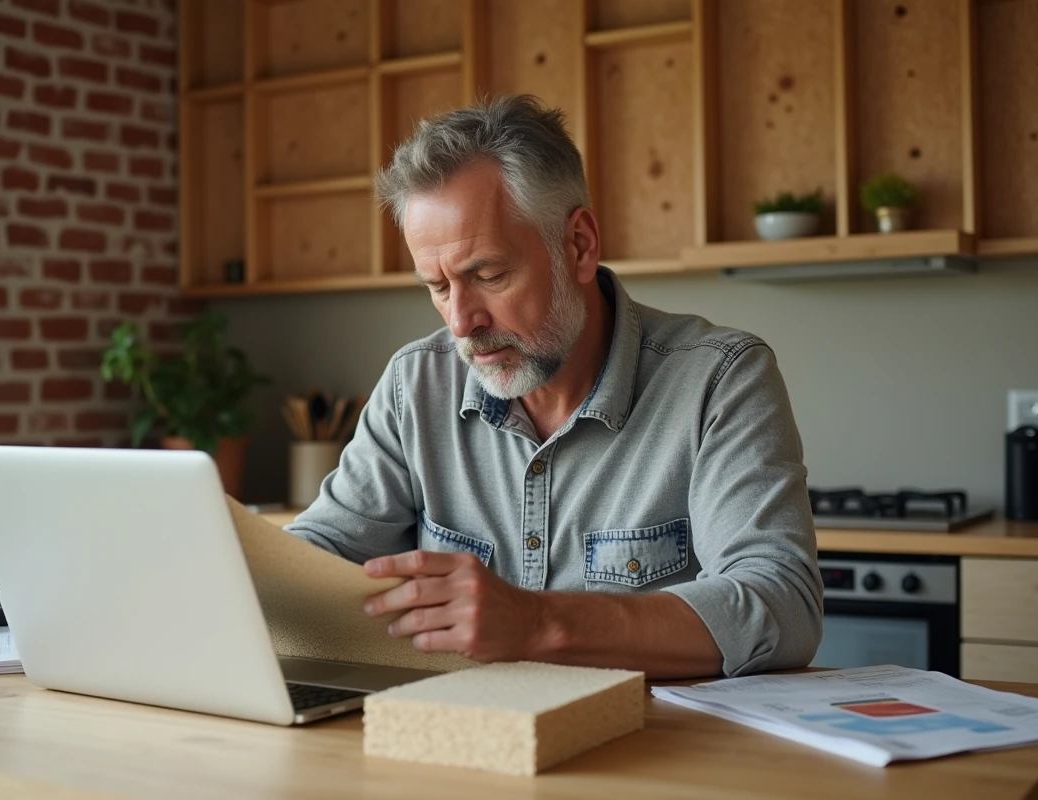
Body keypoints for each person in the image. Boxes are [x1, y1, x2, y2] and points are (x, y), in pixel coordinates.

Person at [286, 94, 822, 679]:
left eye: (488, 275)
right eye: (437, 287)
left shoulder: (720, 379)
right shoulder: (414, 386)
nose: (462, 322)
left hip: (654, 753)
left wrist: (537, 622)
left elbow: (781, 605)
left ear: (580, 245)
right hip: (460, 746)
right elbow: (317, 559)